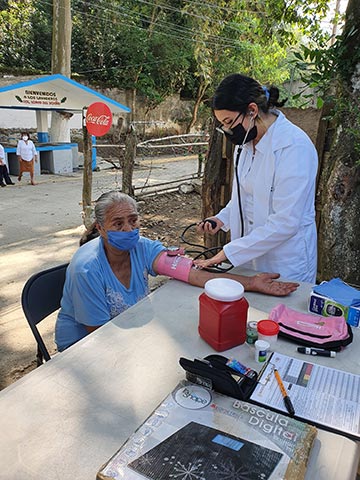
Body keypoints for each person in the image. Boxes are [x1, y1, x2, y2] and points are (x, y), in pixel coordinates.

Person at [55, 191, 298, 352]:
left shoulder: (142, 248)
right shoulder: (87, 270)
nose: (129, 229)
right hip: (84, 347)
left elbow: (192, 273)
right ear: (101, 228)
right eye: (118, 224)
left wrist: (251, 282)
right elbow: (99, 337)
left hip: (128, 332)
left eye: (133, 220)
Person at [195, 73, 318, 283]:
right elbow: (245, 197)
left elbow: (286, 221)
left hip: (285, 262)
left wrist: (228, 253)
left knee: (280, 315)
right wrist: (222, 218)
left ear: (252, 110)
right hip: (248, 260)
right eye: (222, 124)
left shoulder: (293, 147)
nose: (227, 130)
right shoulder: (244, 145)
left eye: (229, 122)